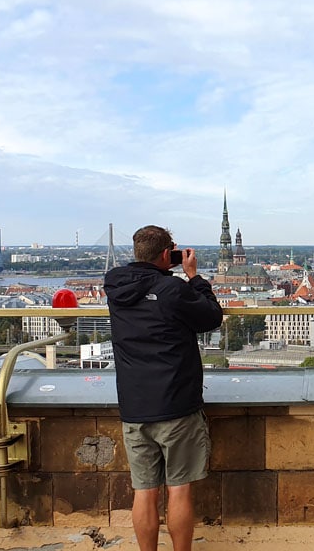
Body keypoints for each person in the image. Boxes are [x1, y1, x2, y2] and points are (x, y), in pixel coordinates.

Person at [104, 225, 223, 551]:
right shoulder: (172, 289)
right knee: (179, 489)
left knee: (144, 491)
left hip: (135, 405)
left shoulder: (114, 287)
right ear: (164, 254)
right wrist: (193, 277)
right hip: (176, 404)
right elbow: (212, 317)